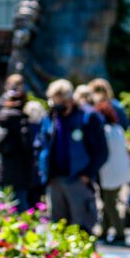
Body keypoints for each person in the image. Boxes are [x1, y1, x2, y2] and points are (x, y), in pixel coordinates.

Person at [35, 78, 108, 233]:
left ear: (69, 99)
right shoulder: (51, 118)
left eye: (60, 102)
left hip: (78, 179)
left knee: (82, 228)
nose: (58, 106)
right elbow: (40, 145)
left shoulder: (88, 117)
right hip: (54, 180)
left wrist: (87, 174)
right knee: (58, 227)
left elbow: (102, 151)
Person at [0, 75, 44, 210]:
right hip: (20, 170)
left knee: (4, 204)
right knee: (21, 205)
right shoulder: (20, 120)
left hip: (4, 167)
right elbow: (27, 146)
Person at [93, 88, 130, 244]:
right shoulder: (117, 129)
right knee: (107, 202)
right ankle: (104, 230)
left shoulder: (105, 131)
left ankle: (120, 232)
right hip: (120, 172)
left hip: (109, 172)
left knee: (109, 203)